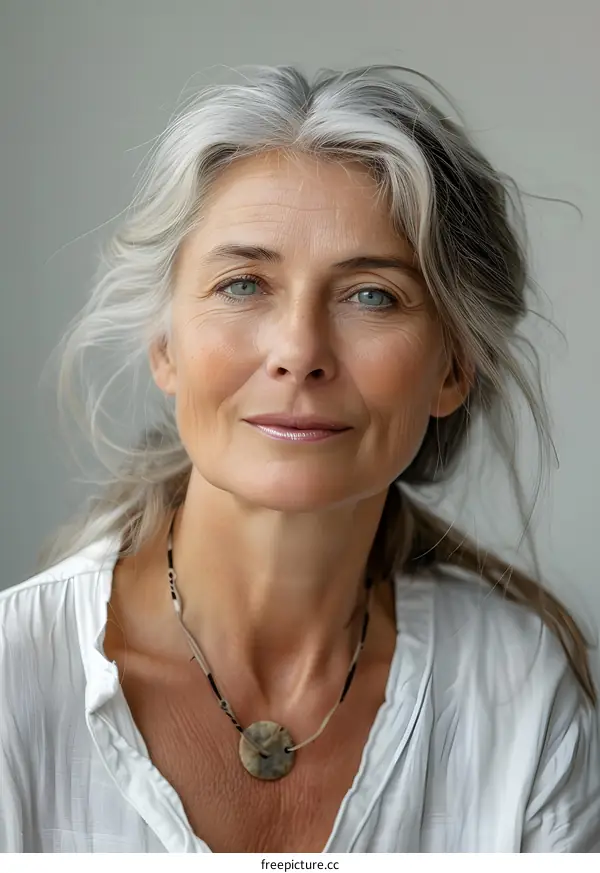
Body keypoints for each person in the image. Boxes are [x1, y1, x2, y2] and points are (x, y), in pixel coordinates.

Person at [1, 65, 599, 854]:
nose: (299, 352)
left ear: (453, 367)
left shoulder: (519, 692)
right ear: (165, 347)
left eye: (371, 296)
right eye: (244, 284)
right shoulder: (13, 681)